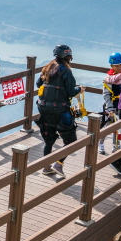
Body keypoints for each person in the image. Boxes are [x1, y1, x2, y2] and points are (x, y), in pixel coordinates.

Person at [34, 45, 83, 176]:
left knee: (49, 140)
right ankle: (58, 164)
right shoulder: (66, 71)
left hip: (44, 108)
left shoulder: (47, 68)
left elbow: (38, 84)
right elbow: (71, 92)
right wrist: (80, 89)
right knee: (71, 140)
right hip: (61, 110)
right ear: (69, 57)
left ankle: (46, 167)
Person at [99, 52, 121, 155]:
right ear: (112, 66)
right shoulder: (109, 78)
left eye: (120, 65)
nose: (119, 67)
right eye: (116, 65)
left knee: (118, 126)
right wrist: (110, 108)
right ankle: (100, 144)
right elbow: (106, 95)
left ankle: (115, 146)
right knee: (108, 126)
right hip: (111, 105)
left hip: (120, 105)